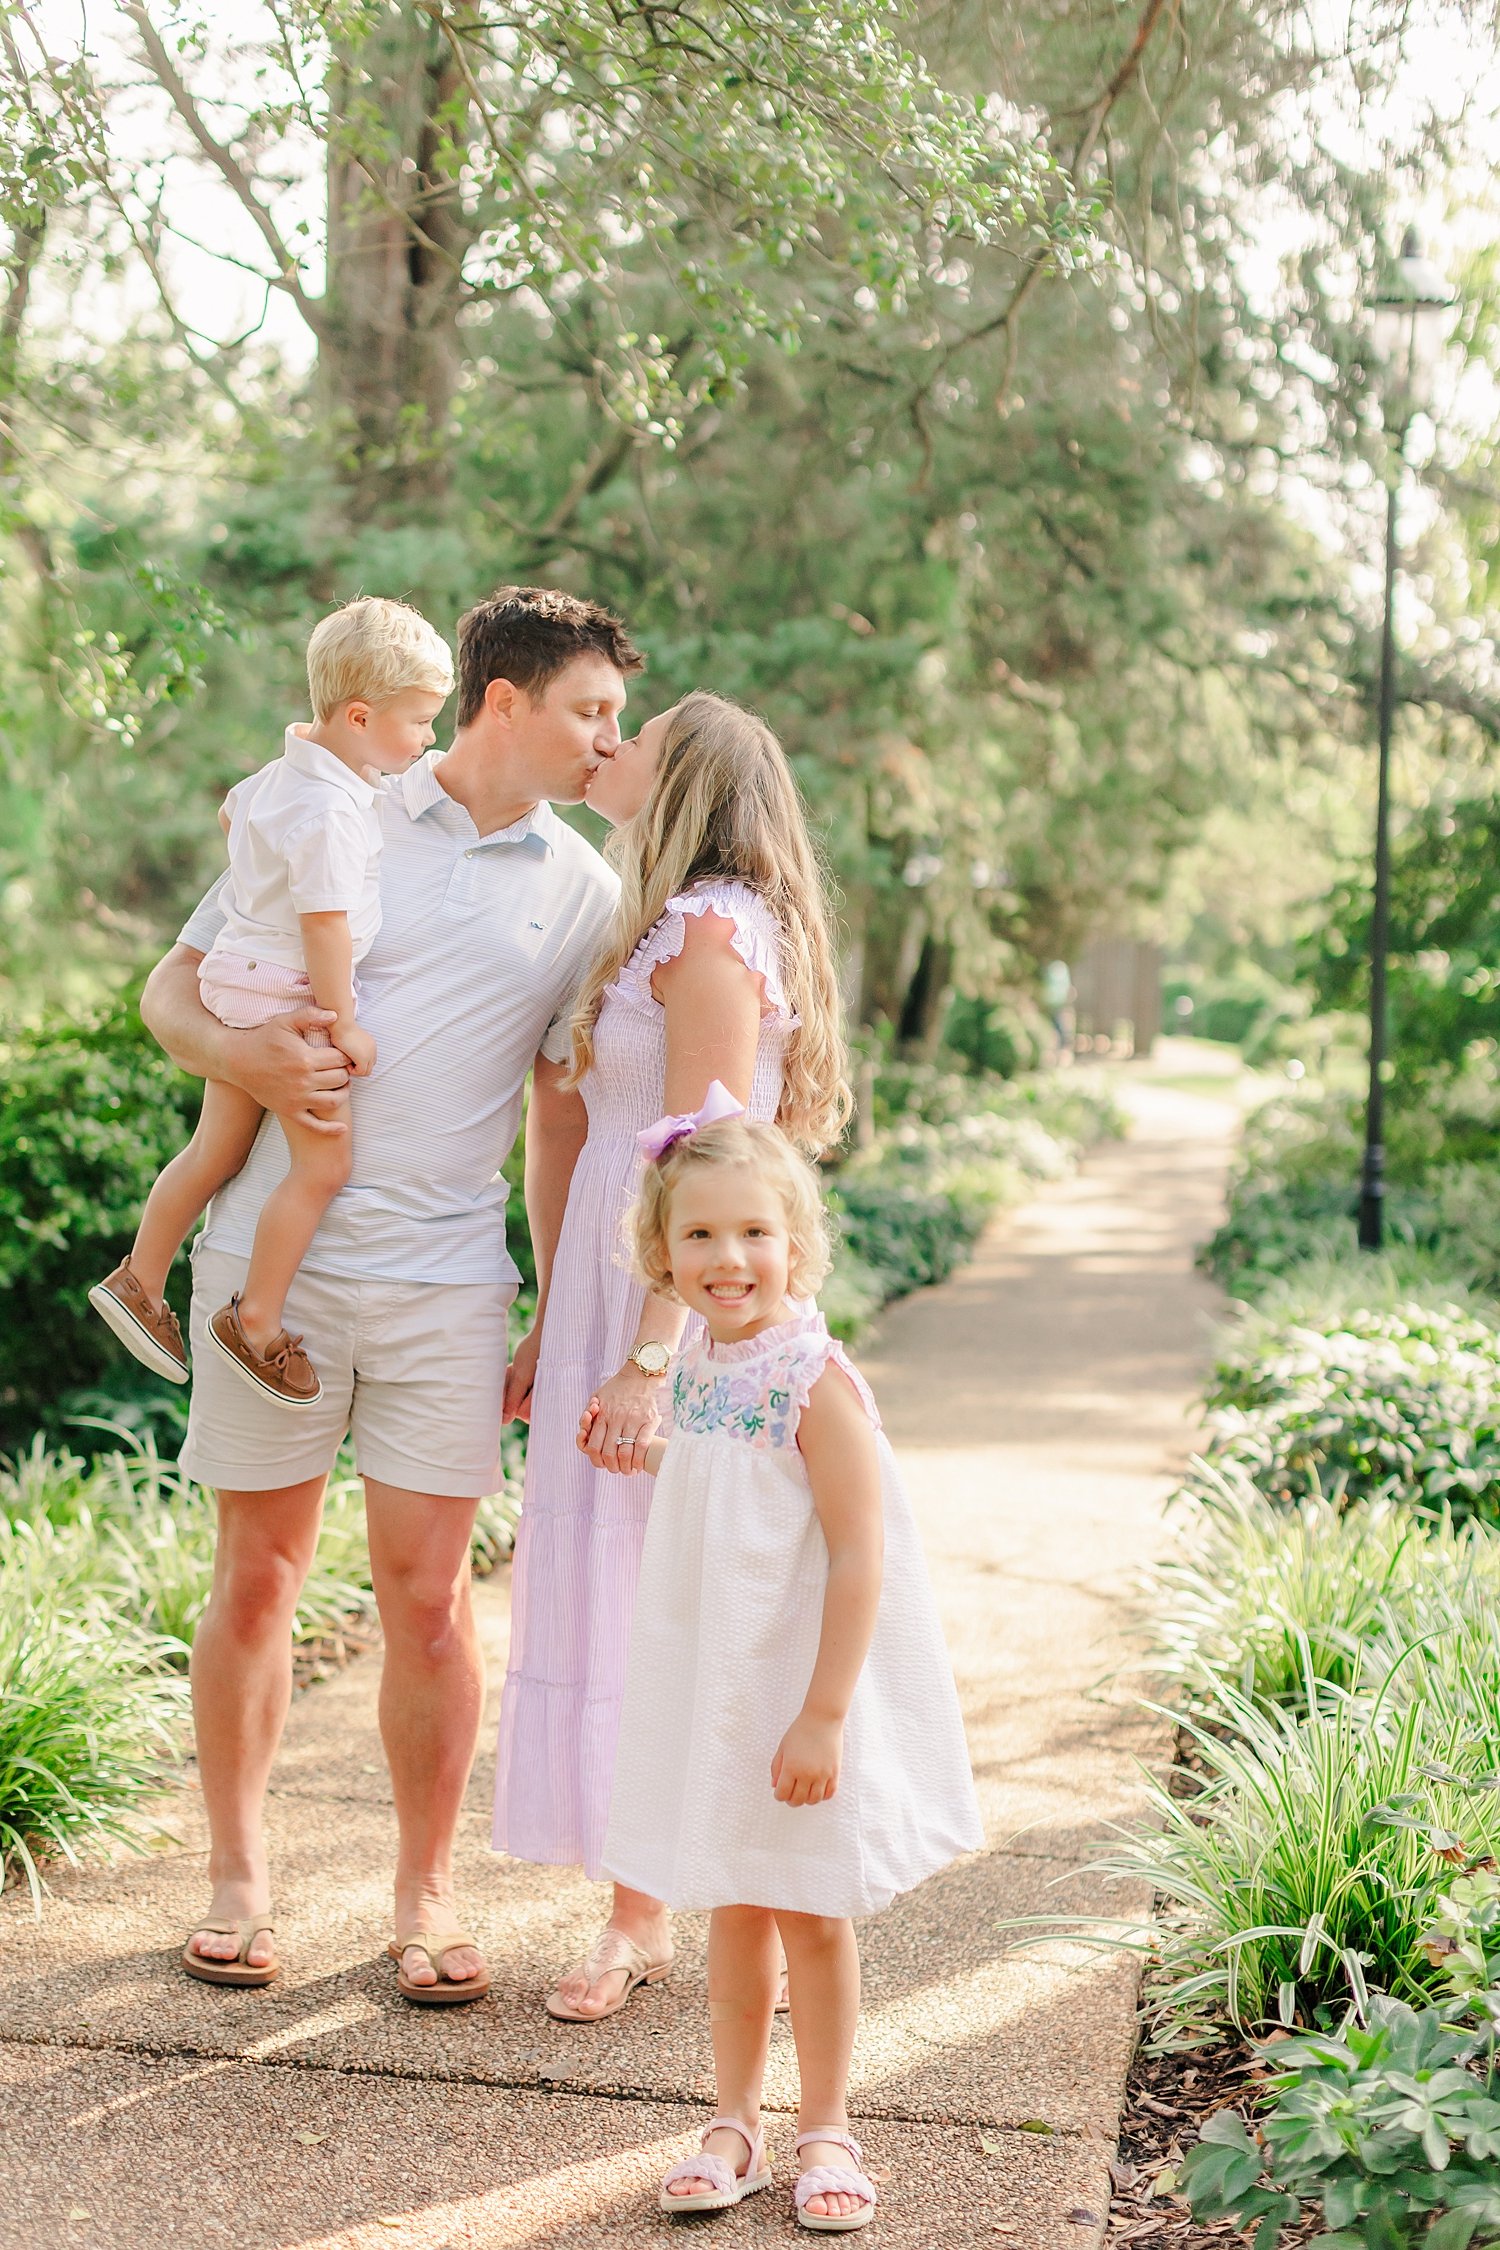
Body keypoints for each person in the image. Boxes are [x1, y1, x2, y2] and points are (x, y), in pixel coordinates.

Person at [135, 586, 642, 1997]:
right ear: (503, 704)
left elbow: (561, 1116)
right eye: (591, 712)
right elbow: (171, 993)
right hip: (267, 1271)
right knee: (260, 1579)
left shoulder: (586, 891)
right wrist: (248, 1063)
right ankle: (238, 1875)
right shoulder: (333, 802)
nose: (611, 741)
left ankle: (425, 1890)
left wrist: (556, 1302)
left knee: (429, 1600)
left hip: (443, 1283)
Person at [492, 692, 849, 2022]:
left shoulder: (709, 934)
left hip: (670, 1308)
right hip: (606, 1287)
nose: (609, 746)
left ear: (683, 777)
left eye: (632, 737)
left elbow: (703, 1154)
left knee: (649, 1590)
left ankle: (642, 1912)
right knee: (613, 1580)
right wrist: (556, 1321)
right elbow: (585, 1138)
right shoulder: (651, 922)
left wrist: (651, 1355)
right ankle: (642, 1895)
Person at [594, 1102, 984, 2231]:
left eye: (756, 1234)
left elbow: (863, 1553)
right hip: (723, 1681)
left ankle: (826, 2128)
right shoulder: (705, 1365)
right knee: (731, 1899)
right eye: (703, 1238)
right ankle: (732, 2123)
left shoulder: (816, 1380)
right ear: (662, 1256)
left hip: (802, 1687)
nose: (730, 1259)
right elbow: (730, 1500)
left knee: (809, 1908)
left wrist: (823, 1716)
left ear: (797, 1245)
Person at [90, 598, 454, 1408]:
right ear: (361, 716)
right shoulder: (332, 813)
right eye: (421, 721)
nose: (430, 737)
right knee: (324, 1165)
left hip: (239, 975)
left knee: (216, 1149)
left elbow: (233, 813)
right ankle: (254, 1321)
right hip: (289, 990)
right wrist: (344, 1020)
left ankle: (140, 1277)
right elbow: (326, 927)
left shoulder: (289, 770)